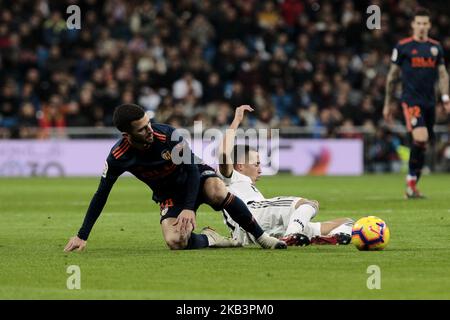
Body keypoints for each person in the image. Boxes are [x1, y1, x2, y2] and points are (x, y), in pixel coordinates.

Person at [64, 104, 287, 252]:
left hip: (197, 177)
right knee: (175, 241)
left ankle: (262, 237)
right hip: (170, 195)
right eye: (142, 129)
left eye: (148, 123)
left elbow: (190, 170)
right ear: (126, 135)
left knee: (217, 191)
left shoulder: (168, 135)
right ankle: (212, 238)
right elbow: (101, 194)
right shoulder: (118, 157)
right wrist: (82, 235)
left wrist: (189, 207)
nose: (149, 130)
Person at [217, 105, 354, 246]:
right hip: (254, 213)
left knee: (348, 222)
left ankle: (329, 236)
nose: (260, 170)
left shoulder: (244, 186)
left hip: (264, 229)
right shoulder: (230, 178)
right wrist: (237, 120)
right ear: (240, 166)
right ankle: (291, 235)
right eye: (256, 164)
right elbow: (223, 155)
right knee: (309, 204)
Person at [383, 7, 450, 199]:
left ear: (429, 25)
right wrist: (387, 104)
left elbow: (443, 74)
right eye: (418, 23)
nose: (421, 27)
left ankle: (412, 184)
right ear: (413, 25)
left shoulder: (435, 47)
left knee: (423, 143)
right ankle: (411, 182)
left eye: (424, 23)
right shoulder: (403, 47)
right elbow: (391, 77)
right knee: (420, 137)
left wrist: (445, 97)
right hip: (411, 101)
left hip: (430, 102)